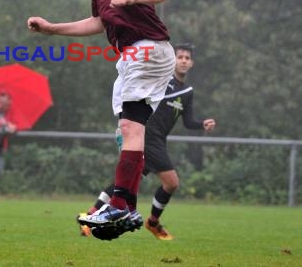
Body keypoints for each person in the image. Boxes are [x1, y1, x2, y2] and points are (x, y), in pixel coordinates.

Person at [28, 0, 175, 241]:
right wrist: (52, 29)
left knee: (130, 129)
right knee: (127, 132)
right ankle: (125, 207)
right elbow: (98, 22)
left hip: (147, 48)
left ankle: (121, 206)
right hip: (134, 54)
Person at [79, 44, 216, 240]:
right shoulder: (162, 79)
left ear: (192, 63)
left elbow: (187, 121)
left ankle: (90, 216)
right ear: (173, 60)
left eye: (187, 58)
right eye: (180, 57)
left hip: (159, 140)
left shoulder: (187, 92)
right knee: (172, 182)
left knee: (125, 181)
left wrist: (202, 124)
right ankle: (152, 223)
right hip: (147, 136)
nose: (183, 60)